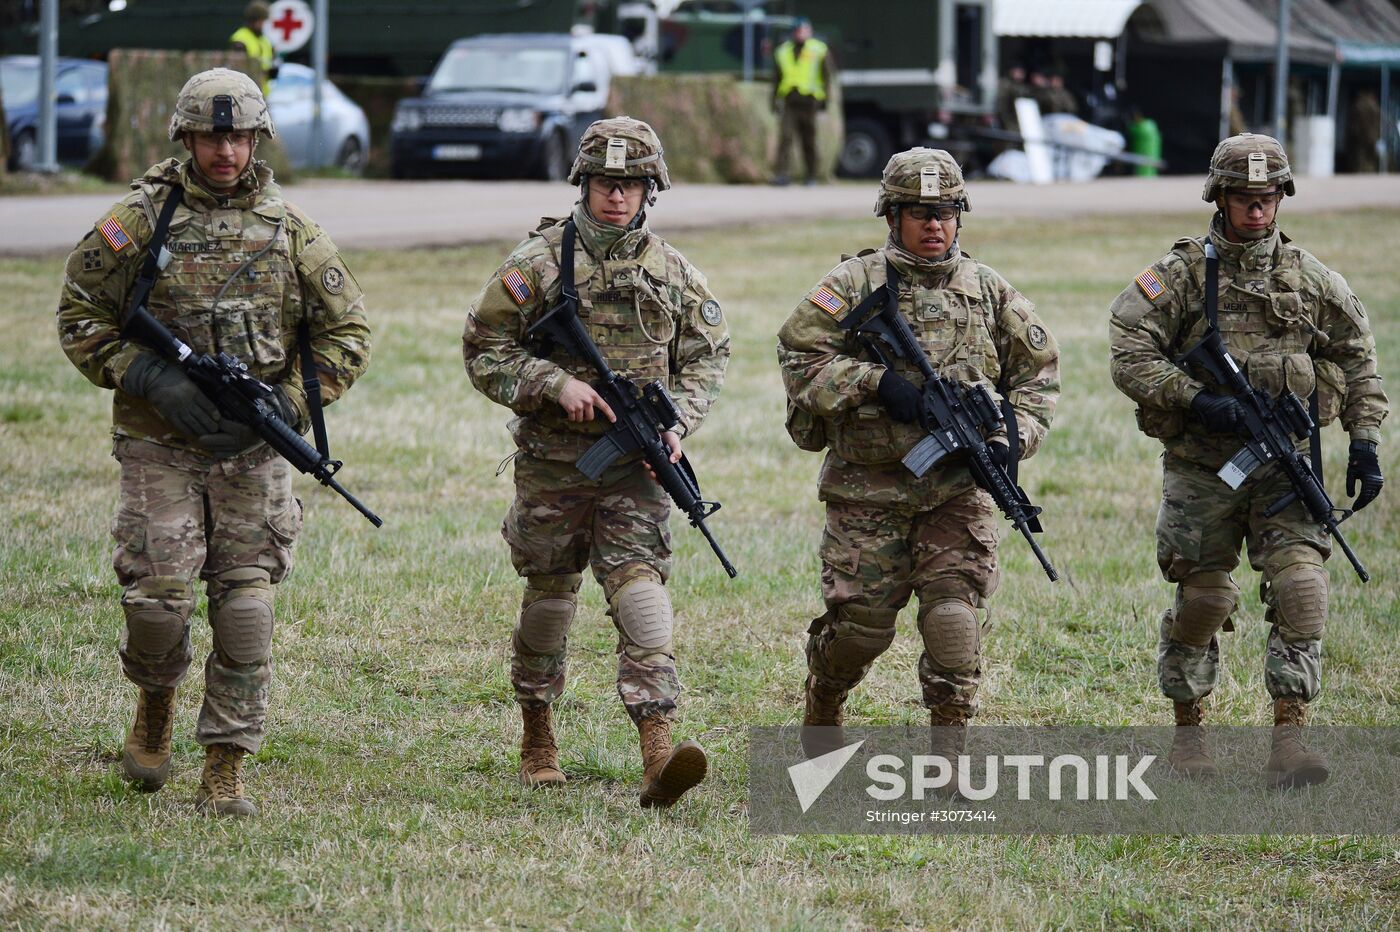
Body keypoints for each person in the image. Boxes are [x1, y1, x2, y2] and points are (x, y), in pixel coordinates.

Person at [56, 68, 371, 816]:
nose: (224, 150)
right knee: (158, 604)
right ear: (186, 137)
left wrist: (290, 405)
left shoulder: (291, 230)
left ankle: (225, 764)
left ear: (257, 139)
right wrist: (149, 379)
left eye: (237, 135)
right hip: (158, 445)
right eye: (209, 135)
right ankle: (156, 702)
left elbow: (348, 333)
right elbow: (79, 313)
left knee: (246, 609)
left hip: (252, 451)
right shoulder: (140, 221)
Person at [463, 117, 730, 807]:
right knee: (550, 601)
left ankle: (658, 753)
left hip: (633, 470)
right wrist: (555, 385)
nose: (618, 197)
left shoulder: (672, 272)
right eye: (607, 184)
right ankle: (538, 734)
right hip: (553, 468)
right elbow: (484, 348)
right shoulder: (540, 263)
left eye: (632, 184)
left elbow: (707, 358)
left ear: (651, 190)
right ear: (585, 184)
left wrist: (678, 425)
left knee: (642, 597)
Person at [1108, 134, 1386, 787]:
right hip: (1205, 467)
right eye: (1243, 199)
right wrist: (1196, 399)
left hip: (1285, 466)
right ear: (1219, 197)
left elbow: (1357, 360)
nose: (1256, 211)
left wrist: (1365, 442)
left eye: (1266, 199)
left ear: (1281, 198)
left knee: (1303, 591)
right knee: (1204, 598)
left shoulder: (1312, 279)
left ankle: (1289, 740)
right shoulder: (1180, 276)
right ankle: (1190, 735)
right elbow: (1128, 349)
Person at [776, 148, 1059, 761]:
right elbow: (801, 360)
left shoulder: (988, 292)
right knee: (861, 631)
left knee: (953, 621)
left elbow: (1038, 379)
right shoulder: (852, 285)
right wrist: (876, 384)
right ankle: (824, 697)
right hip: (867, 489)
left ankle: (950, 755)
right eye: (920, 213)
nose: (935, 225)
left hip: (958, 491)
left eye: (946, 212)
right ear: (892, 216)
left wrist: (1013, 438)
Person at [770, 17, 832, 186]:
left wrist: (826, 100)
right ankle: (782, 174)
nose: (800, 34)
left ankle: (811, 175)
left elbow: (827, 77)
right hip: (790, 100)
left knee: (809, 140)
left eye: (803, 30)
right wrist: (774, 100)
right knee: (786, 138)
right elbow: (776, 78)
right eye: (798, 31)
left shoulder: (818, 49)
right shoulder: (783, 51)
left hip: (810, 101)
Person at [231, 1, 275, 93]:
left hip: (262, 92)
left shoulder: (264, 40)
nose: (263, 24)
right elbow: (238, 70)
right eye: (262, 21)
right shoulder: (240, 39)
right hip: (247, 93)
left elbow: (268, 63)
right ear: (254, 20)